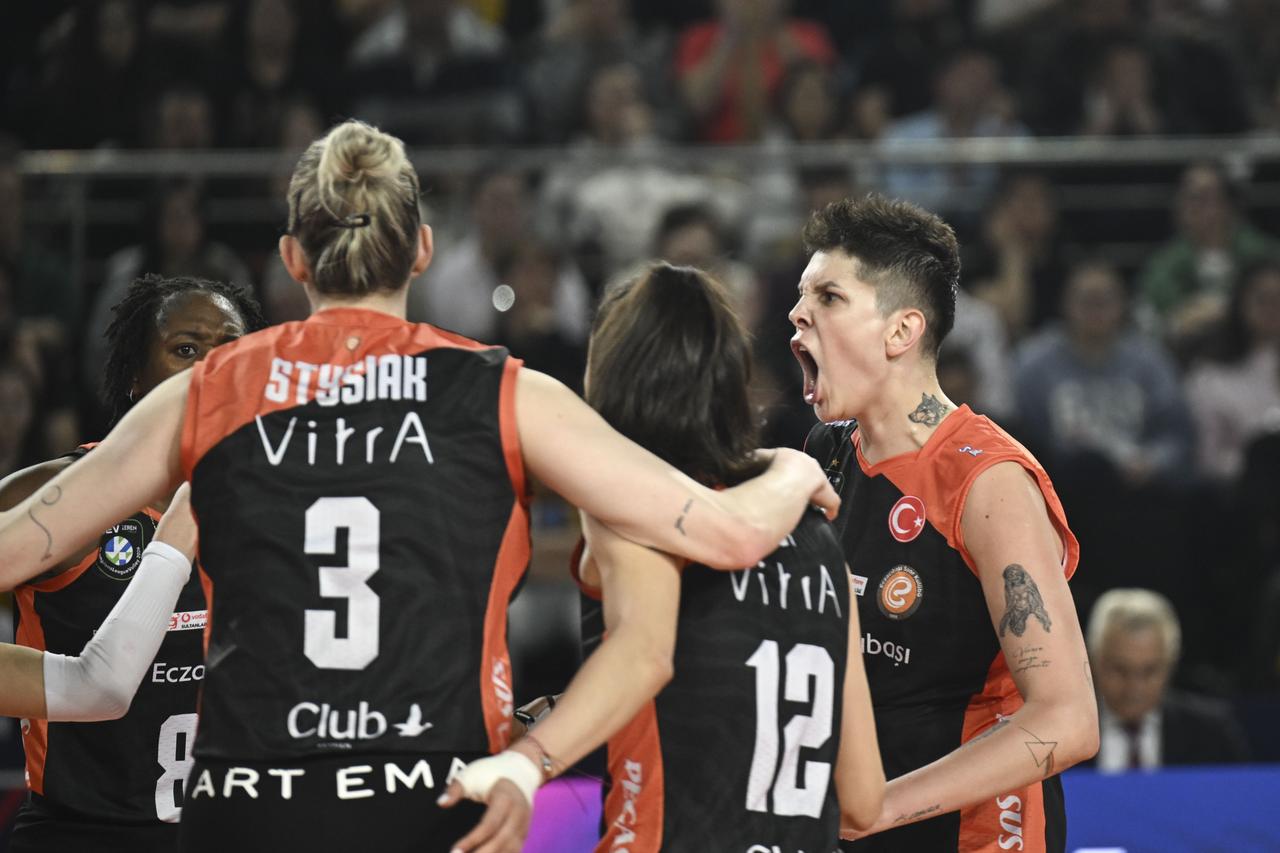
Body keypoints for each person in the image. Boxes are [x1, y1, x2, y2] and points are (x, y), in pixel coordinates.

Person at [0, 120, 838, 853]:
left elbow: (17, 548)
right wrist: (795, 468)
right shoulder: (506, 393)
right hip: (427, 800)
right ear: (423, 250)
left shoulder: (207, 390)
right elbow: (729, 535)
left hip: (246, 802)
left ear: (293, 258)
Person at [446, 263, 885, 849]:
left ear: (607, 378)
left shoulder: (636, 517)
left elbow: (645, 655)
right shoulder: (820, 542)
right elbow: (862, 800)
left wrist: (528, 761)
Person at [793, 195, 1098, 851]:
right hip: (865, 818)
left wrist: (877, 808)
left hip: (977, 831)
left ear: (900, 332)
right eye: (801, 295)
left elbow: (1068, 721)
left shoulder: (987, 483)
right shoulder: (826, 452)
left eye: (829, 297)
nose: (798, 313)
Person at [0, 273, 263, 853]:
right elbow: (99, 690)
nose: (210, 369)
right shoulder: (55, 495)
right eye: (185, 349)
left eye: (231, 350)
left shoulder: (279, 506)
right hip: (79, 834)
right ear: (135, 378)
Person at [1084, 588, 1250, 771]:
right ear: (1094, 662)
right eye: (1120, 670)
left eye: (1149, 671)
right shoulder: (1066, 734)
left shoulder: (1212, 734)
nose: (1134, 687)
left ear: (1170, 664)